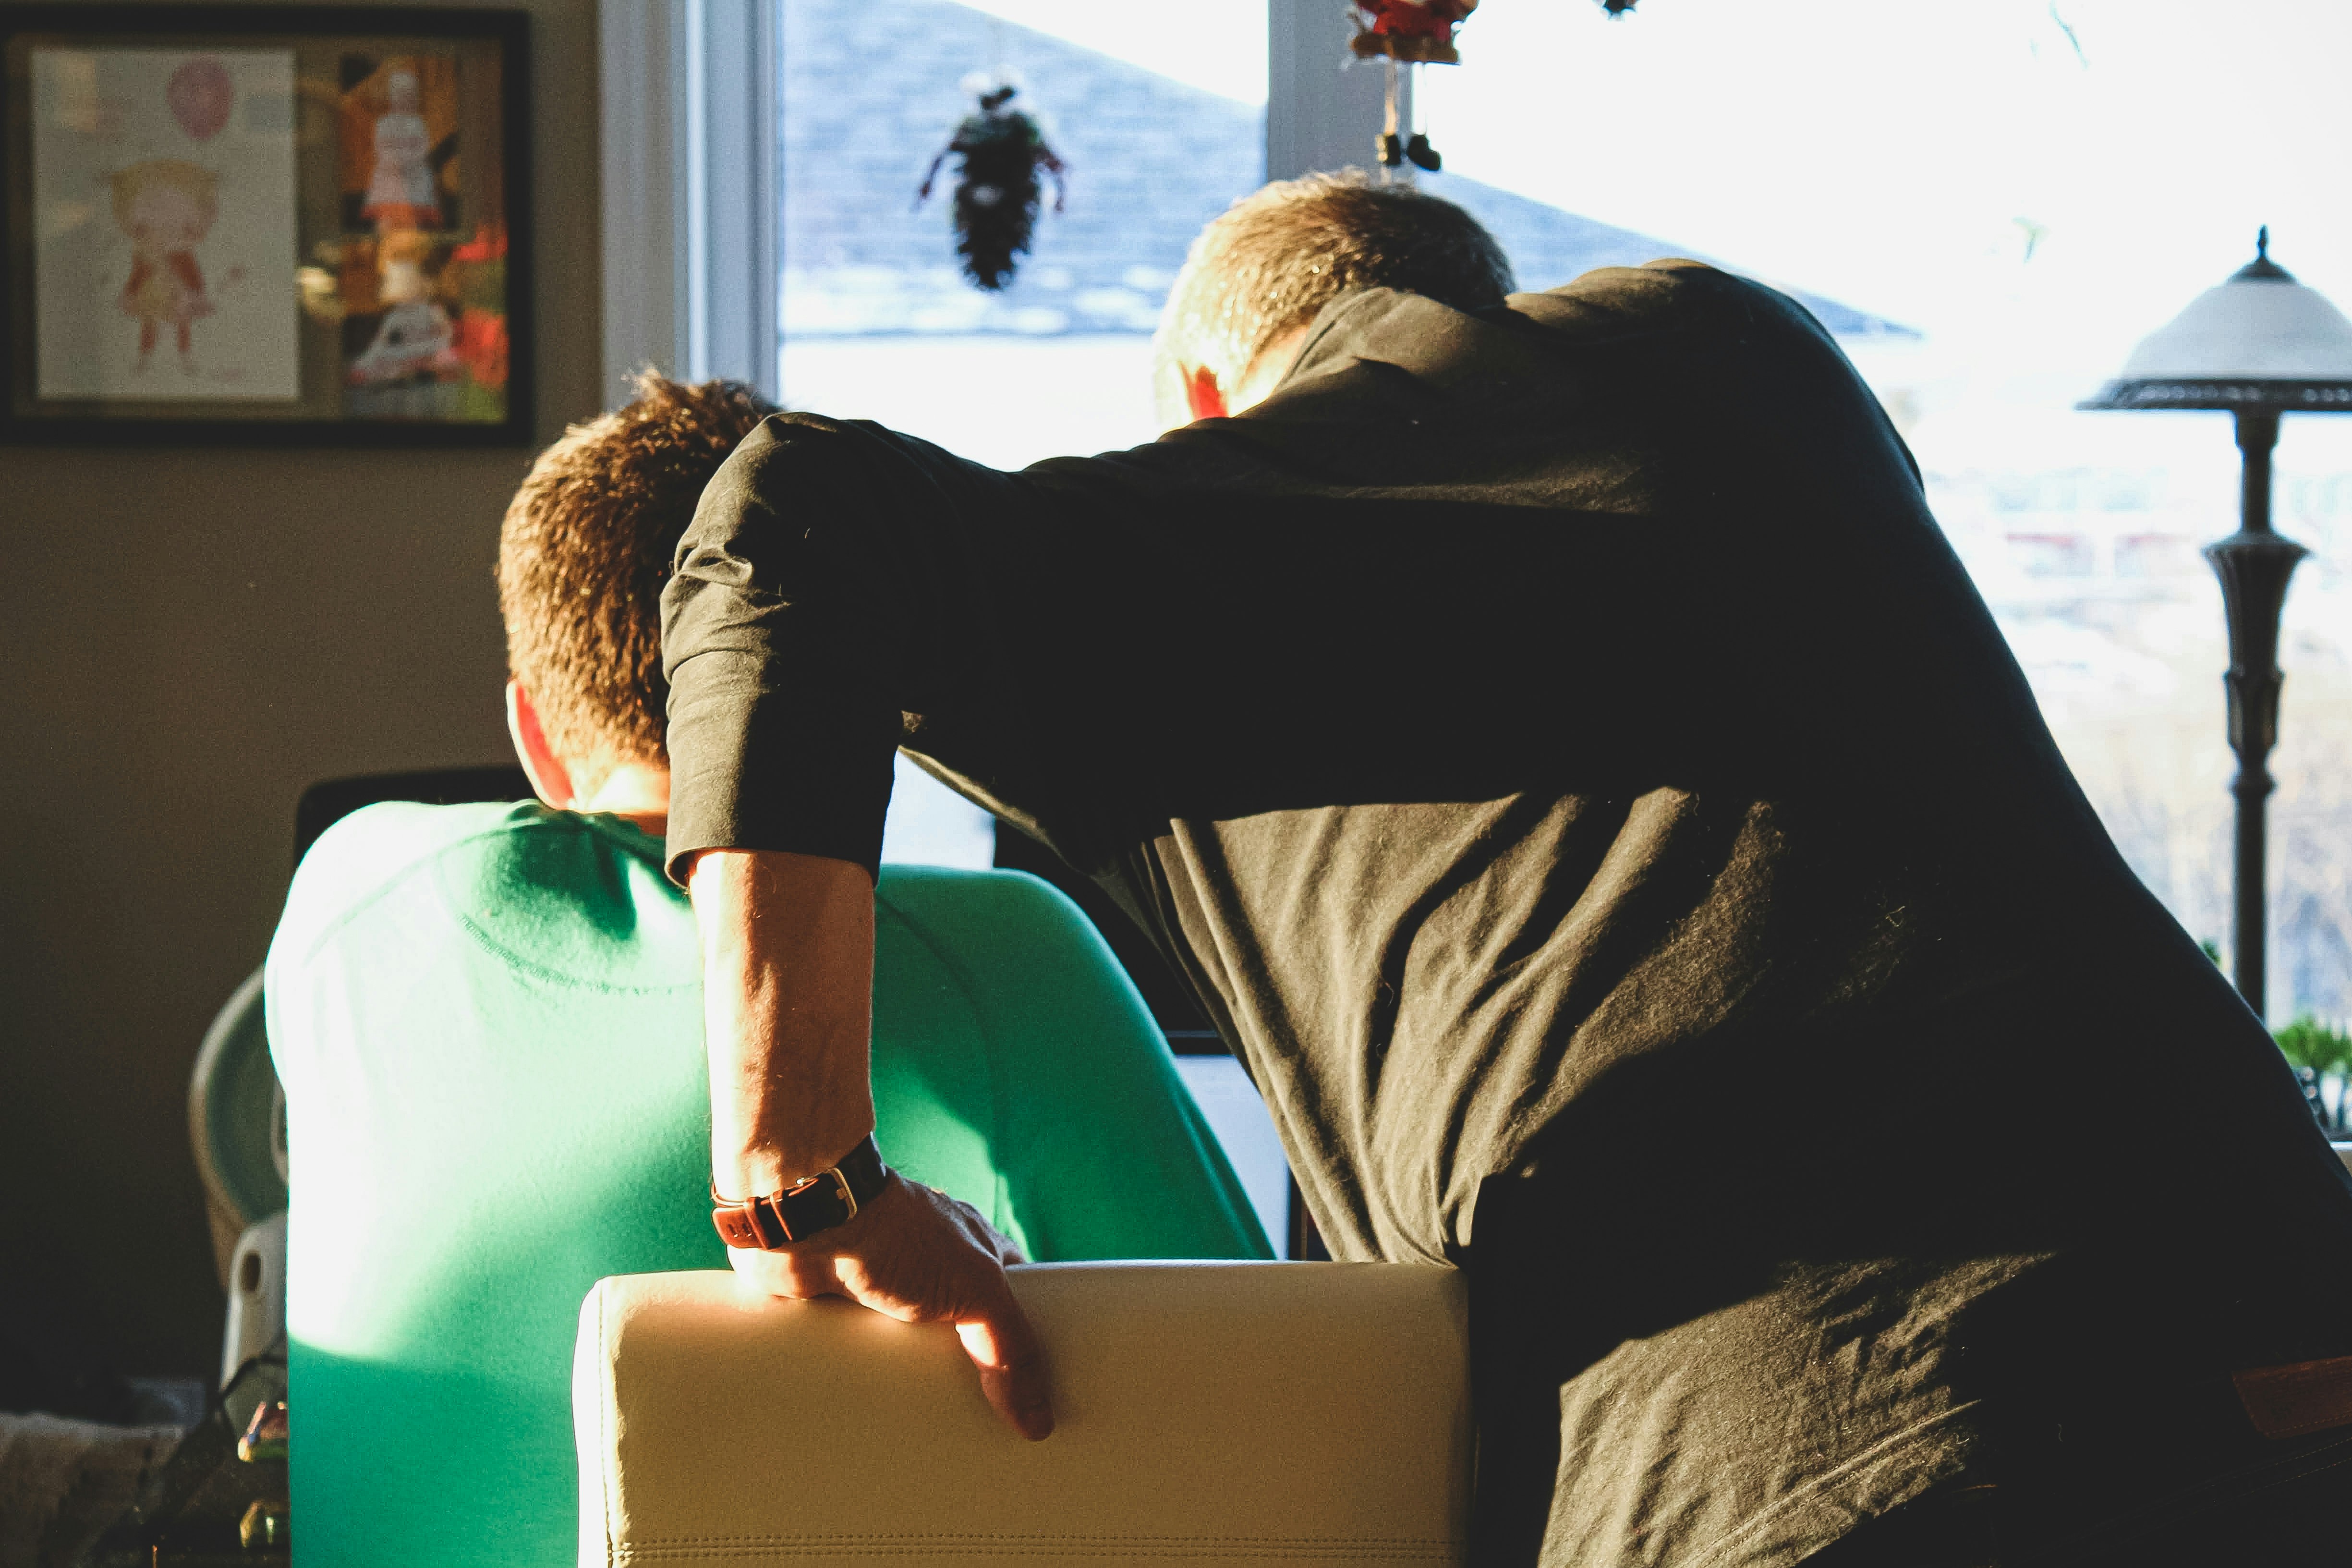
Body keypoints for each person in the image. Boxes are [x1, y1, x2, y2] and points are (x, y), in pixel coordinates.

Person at [658, 173, 2352, 1567]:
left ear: (1205, 403)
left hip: (1824, 1449)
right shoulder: (1744, 351)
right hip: (2286, 1320)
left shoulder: (1207, 522)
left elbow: (784, 517)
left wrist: (796, 1170)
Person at [265, 374, 1268, 1568]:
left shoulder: (345, 891)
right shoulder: (1006, 955)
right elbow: (1266, 1389)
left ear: (532, 733)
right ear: (855, 713)